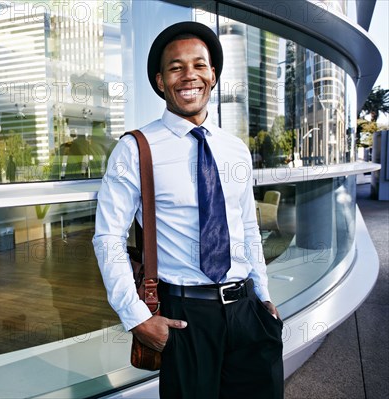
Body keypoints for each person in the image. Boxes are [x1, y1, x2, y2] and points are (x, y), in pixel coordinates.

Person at [92, 22, 284, 398]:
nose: (189, 75)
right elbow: (108, 238)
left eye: (199, 65)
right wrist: (137, 318)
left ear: (213, 75)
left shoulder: (235, 149)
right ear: (161, 81)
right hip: (185, 319)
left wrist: (263, 296)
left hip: (248, 311)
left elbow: (247, 226)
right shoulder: (135, 149)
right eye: (176, 67)